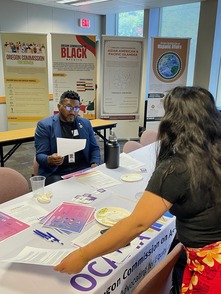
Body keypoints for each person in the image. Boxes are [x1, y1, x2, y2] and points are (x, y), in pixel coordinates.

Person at [54, 86, 221, 293]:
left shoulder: (177, 167)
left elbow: (137, 224)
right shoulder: (213, 151)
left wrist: (83, 256)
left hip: (210, 268)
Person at [35, 90, 101, 185]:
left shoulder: (85, 124)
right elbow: (40, 155)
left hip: (82, 169)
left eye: (76, 108)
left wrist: (94, 163)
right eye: (69, 107)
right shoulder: (45, 125)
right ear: (59, 107)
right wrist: (50, 159)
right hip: (57, 172)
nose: (73, 112)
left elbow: (94, 148)